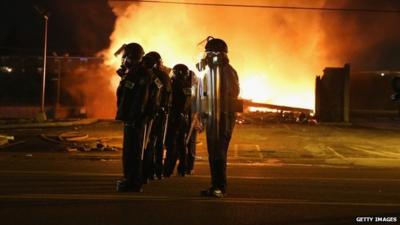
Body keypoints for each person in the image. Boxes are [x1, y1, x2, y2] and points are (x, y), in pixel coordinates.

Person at [200, 38, 240, 197]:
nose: (206, 57)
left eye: (209, 53)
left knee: (218, 154)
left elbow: (227, 97)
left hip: (221, 119)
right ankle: (215, 185)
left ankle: (219, 187)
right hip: (215, 118)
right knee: (214, 154)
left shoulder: (226, 72)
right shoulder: (215, 71)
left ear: (218, 54)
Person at [115, 42, 152, 192]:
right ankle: (129, 179)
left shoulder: (139, 73)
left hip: (134, 119)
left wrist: (134, 117)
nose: (123, 61)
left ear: (131, 57)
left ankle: (133, 182)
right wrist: (124, 76)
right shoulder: (135, 72)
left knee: (133, 151)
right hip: (132, 118)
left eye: (126, 58)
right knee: (129, 151)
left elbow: (138, 98)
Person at [142, 51, 172, 181]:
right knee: (160, 143)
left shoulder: (150, 75)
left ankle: (147, 172)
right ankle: (158, 171)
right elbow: (169, 94)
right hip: (163, 113)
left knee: (149, 142)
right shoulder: (165, 76)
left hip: (152, 113)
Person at [164, 64, 193, 177]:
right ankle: (183, 168)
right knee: (182, 144)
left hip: (175, 117)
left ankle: (168, 169)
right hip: (184, 118)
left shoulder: (175, 85)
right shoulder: (188, 86)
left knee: (172, 144)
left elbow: (172, 102)